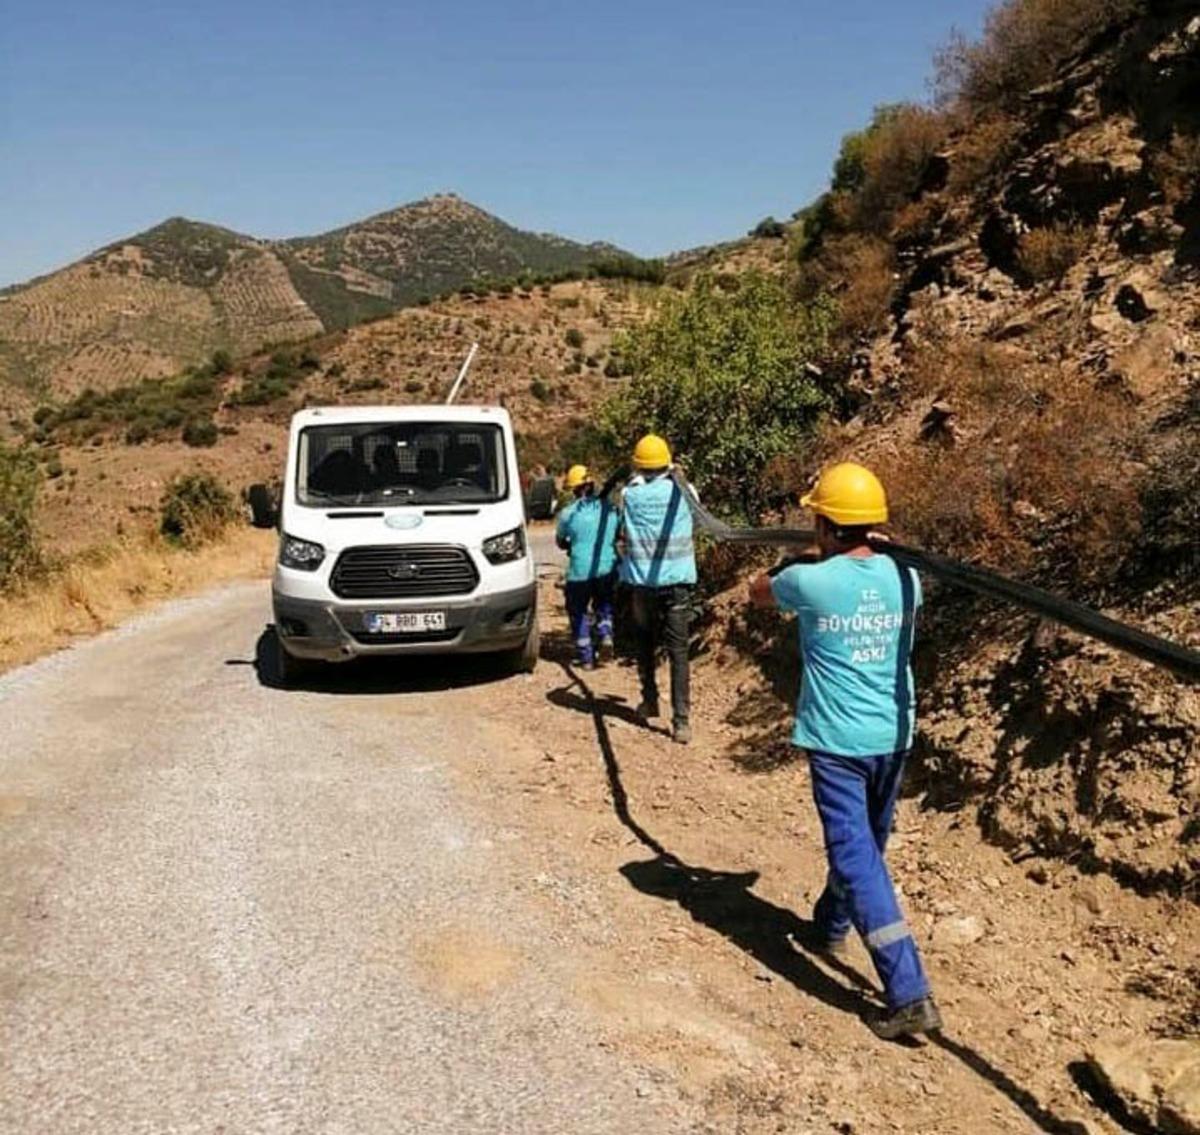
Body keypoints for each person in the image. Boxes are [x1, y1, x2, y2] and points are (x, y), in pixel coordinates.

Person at [748, 461, 941, 1040]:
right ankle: (831, 923)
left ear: (829, 525)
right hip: (893, 734)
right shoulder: (907, 579)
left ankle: (908, 991)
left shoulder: (809, 581)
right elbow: (884, 565)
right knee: (869, 846)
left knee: (858, 855)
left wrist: (804, 559)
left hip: (837, 742)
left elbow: (760, 592)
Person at [618, 434, 697, 745]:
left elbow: (622, 513)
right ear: (668, 462)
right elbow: (698, 517)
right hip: (677, 584)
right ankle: (681, 723)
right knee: (679, 653)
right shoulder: (683, 491)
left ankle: (649, 702)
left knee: (645, 646)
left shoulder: (629, 495)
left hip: (642, 586)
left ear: (639, 465)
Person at [556, 464, 620, 669]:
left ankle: (586, 658)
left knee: (578, 611)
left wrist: (570, 544)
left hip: (579, 573)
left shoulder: (568, 513)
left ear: (574, 489)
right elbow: (618, 533)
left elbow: (560, 541)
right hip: (606, 569)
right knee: (604, 605)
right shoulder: (610, 509)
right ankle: (606, 634)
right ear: (592, 485)